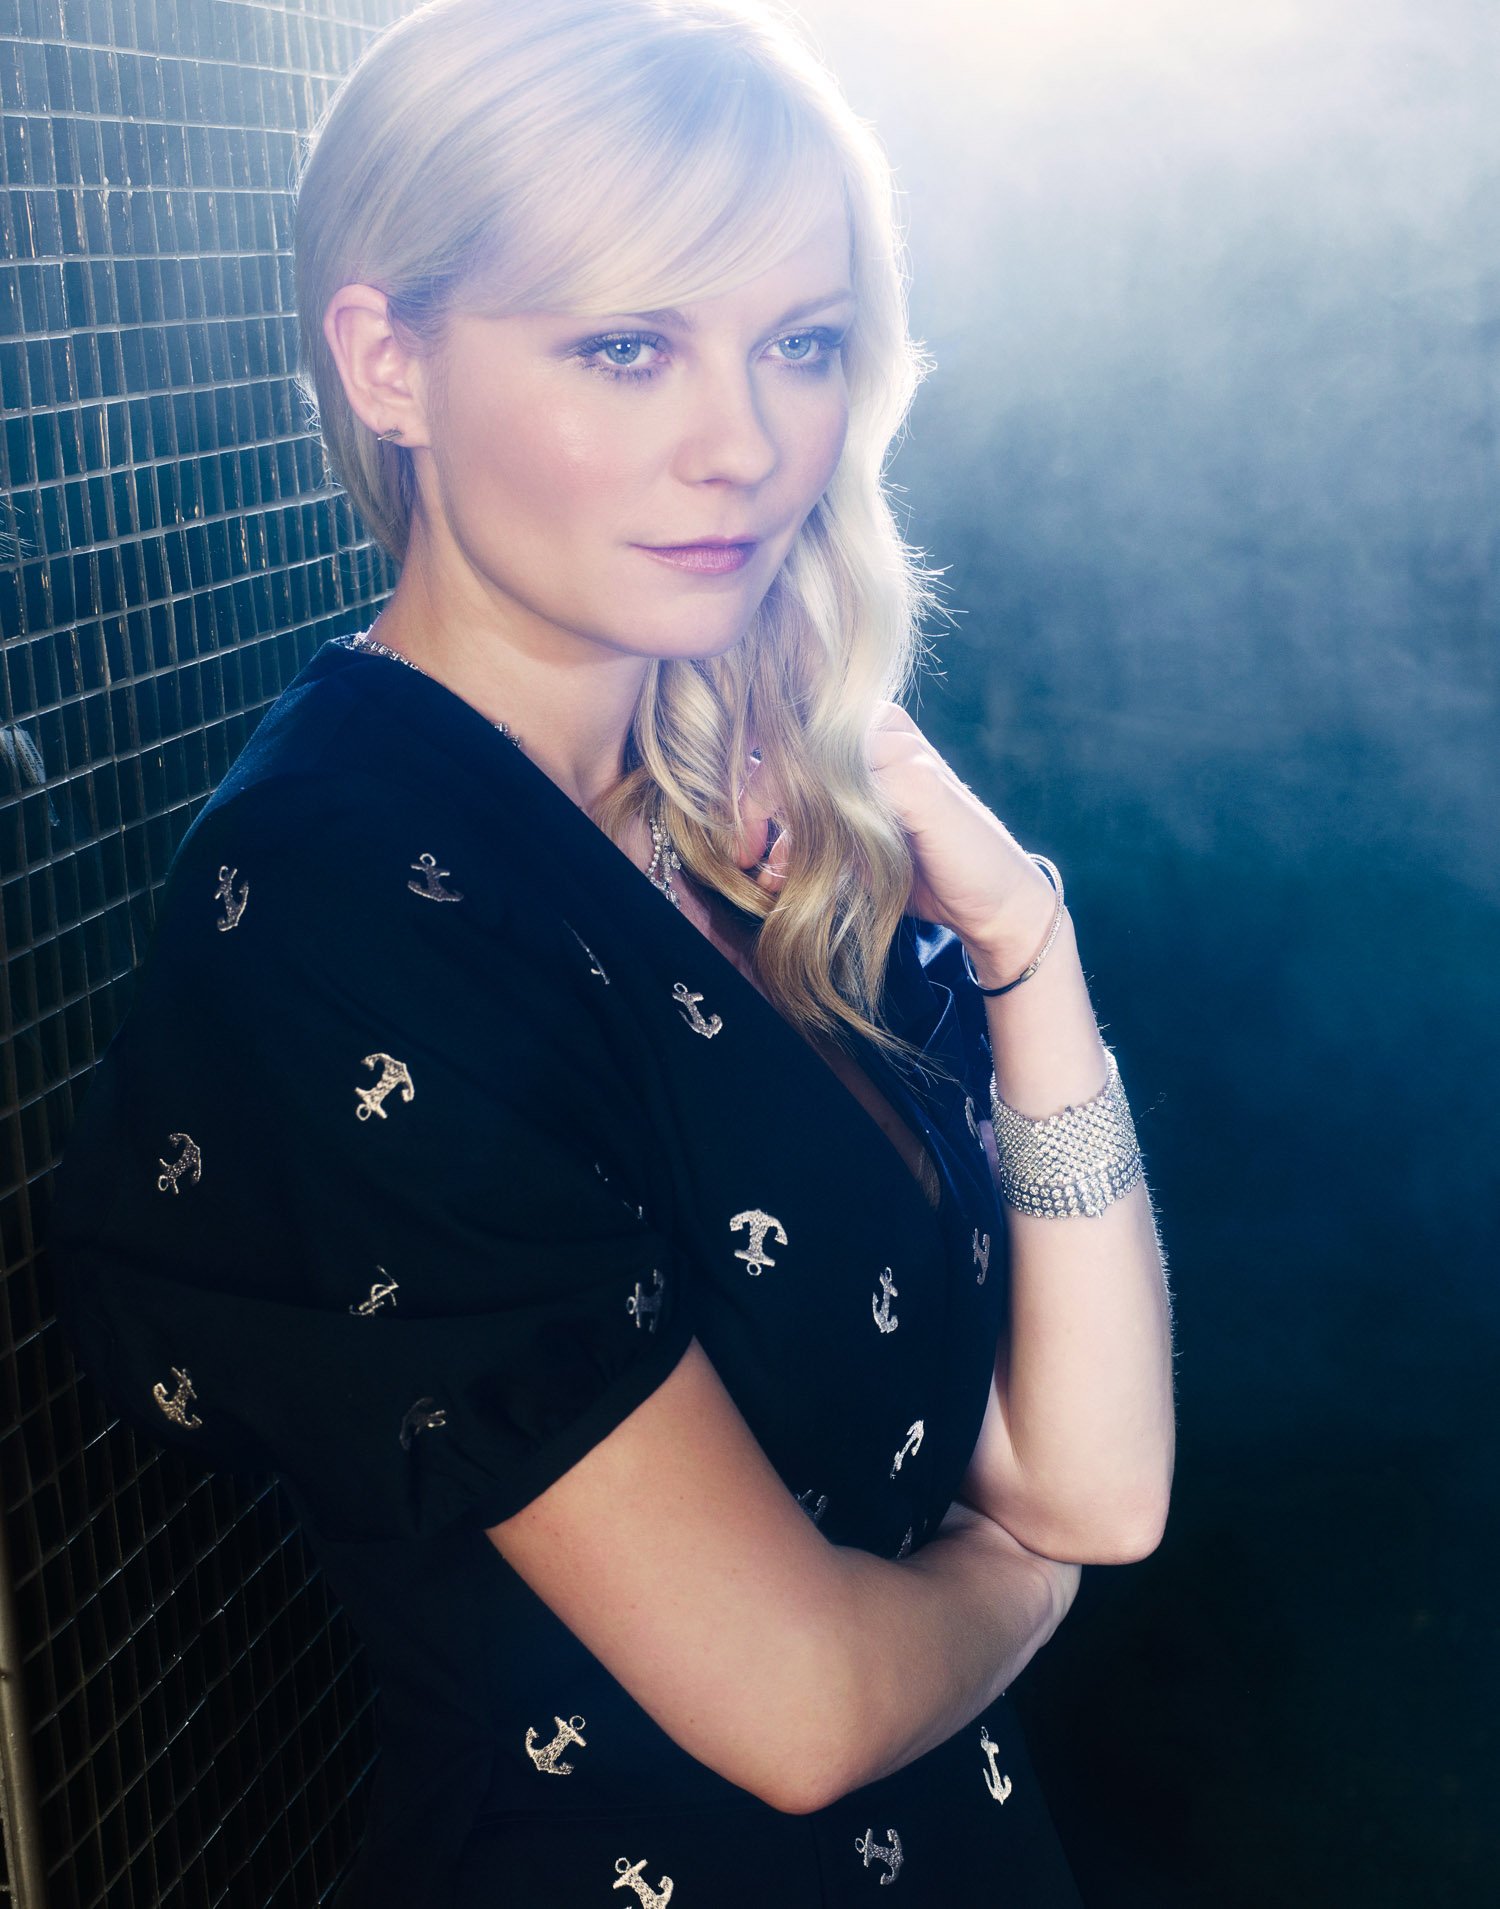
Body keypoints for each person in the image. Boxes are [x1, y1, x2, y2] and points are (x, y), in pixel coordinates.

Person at [45, 1, 1176, 1902]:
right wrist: (1005, 1579)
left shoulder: (731, 797)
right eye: (628, 346)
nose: (743, 445)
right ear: (389, 359)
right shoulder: (342, 903)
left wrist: (1025, 945)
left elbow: (1102, 1477)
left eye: (800, 345)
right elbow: (801, 1703)